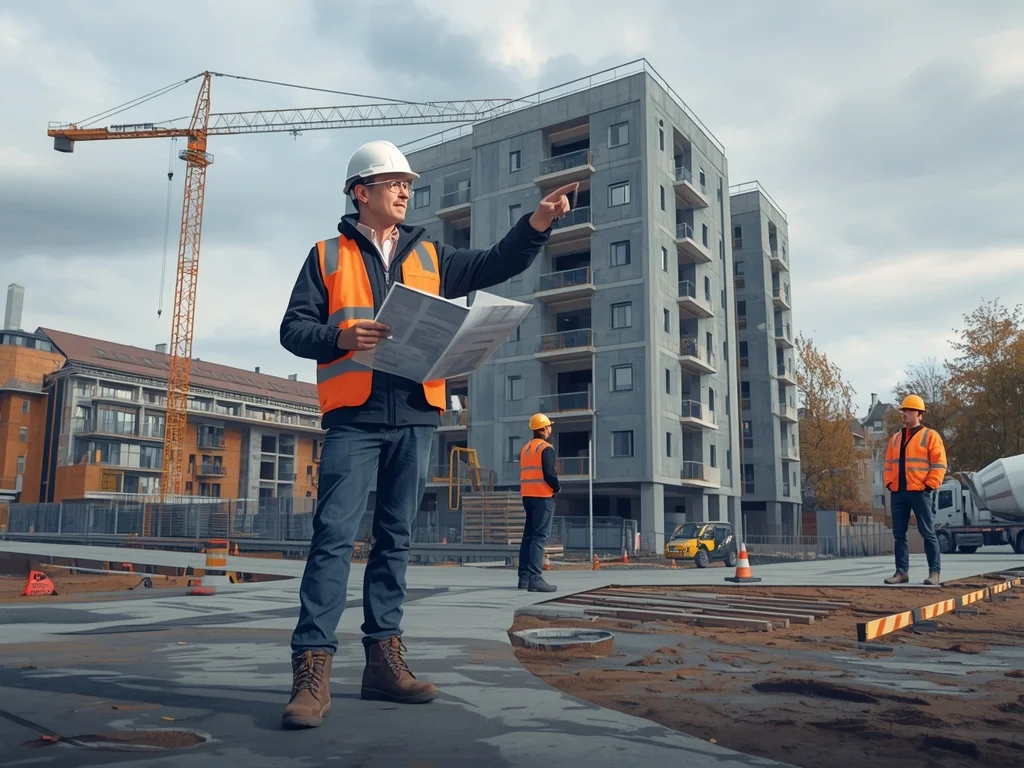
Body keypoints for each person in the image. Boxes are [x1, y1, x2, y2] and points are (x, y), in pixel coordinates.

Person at [278, 139, 578, 729]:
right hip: (354, 419)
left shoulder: (431, 254)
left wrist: (538, 223)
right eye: (393, 182)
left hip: (415, 414)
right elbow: (294, 329)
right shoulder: (325, 256)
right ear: (360, 191)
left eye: (408, 184)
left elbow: (496, 263)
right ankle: (312, 670)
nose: (404, 191)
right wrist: (340, 338)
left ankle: (383, 661)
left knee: (396, 539)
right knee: (333, 537)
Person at [882, 394, 947, 586]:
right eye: (903, 410)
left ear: (920, 414)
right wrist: (889, 484)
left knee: (928, 532)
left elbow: (940, 464)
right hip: (898, 492)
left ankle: (934, 573)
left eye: (909, 410)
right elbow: (887, 465)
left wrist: (929, 486)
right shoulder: (895, 439)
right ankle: (901, 572)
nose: (905, 414)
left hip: (920, 491)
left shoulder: (930, 436)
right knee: (899, 534)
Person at [517, 413, 559, 593]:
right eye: (549, 426)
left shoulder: (526, 449)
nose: (550, 429)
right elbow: (549, 473)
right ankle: (536, 578)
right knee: (539, 538)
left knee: (528, 538)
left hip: (528, 497)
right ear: (543, 429)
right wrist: (557, 488)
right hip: (543, 497)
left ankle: (524, 578)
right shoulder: (546, 448)